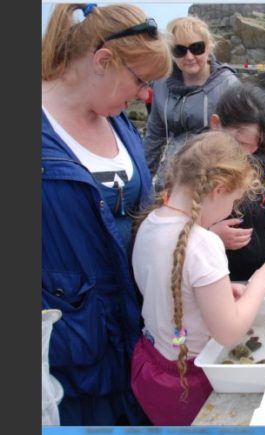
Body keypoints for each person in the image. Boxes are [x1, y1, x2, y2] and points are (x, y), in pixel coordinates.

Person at [41, 3, 171, 425]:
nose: (144, 96)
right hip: (71, 351)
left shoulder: (121, 125)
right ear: (102, 61)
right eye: (139, 81)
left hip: (134, 334)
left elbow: (143, 215)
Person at [130, 131, 265, 425]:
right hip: (191, 380)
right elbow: (228, 332)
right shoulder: (204, 244)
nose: (233, 211)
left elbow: (174, 291)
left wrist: (225, 292)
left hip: (150, 366)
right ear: (219, 189)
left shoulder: (149, 222)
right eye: (235, 201)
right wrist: (259, 284)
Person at [144, 15, 241, 191]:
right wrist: (143, 179)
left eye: (197, 48)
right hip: (170, 180)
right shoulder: (161, 83)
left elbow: (240, 140)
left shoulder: (228, 85)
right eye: (179, 50)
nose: (189, 56)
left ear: (209, 46)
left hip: (212, 181)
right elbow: (155, 136)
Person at [208, 83, 265, 280]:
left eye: (257, 144)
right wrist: (210, 235)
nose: (248, 154)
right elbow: (179, 226)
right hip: (224, 275)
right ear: (215, 124)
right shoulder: (198, 168)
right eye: (241, 144)